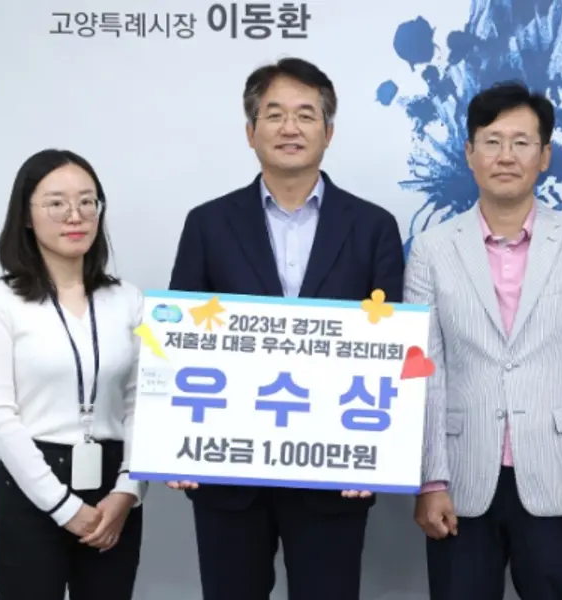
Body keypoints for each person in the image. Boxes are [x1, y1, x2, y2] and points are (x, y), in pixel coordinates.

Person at [166, 57, 405, 600]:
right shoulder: (207, 223)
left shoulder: (373, 227)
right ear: (251, 131)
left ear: (329, 131)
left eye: (305, 114)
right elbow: (181, 339)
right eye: (274, 115)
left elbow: (388, 348)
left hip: (335, 472)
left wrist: (375, 452)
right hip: (227, 472)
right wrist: (177, 445)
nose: (289, 128)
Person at [404, 81, 562, 600]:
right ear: (470, 153)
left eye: (522, 142)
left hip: (560, 477)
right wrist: (431, 480)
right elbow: (424, 370)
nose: (506, 156)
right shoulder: (431, 250)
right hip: (460, 479)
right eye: (492, 141)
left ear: (545, 155)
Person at [0, 149, 147, 600]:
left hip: (113, 495)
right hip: (31, 489)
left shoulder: (127, 299)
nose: (75, 215)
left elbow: (142, 402)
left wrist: (128, 490)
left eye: (87, 201)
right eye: (56, 203)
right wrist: (64, 507)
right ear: (26, 216)